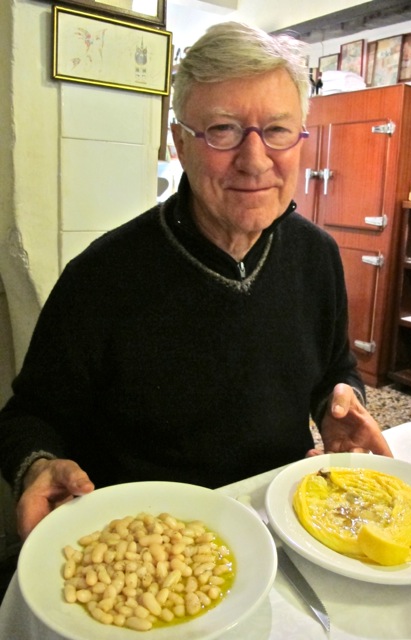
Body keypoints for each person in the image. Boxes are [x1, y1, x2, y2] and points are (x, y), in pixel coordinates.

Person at [0, 21, 391, 541]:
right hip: (147, 545)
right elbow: (29, 417)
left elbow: (333, 369)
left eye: (277, 130)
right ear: (180, 143)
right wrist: (37, 464)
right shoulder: (101, 275)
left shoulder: (317, 255)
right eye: (223, 130)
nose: (254, 161)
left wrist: (337, 403)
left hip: (278, 526)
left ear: (301, 139)